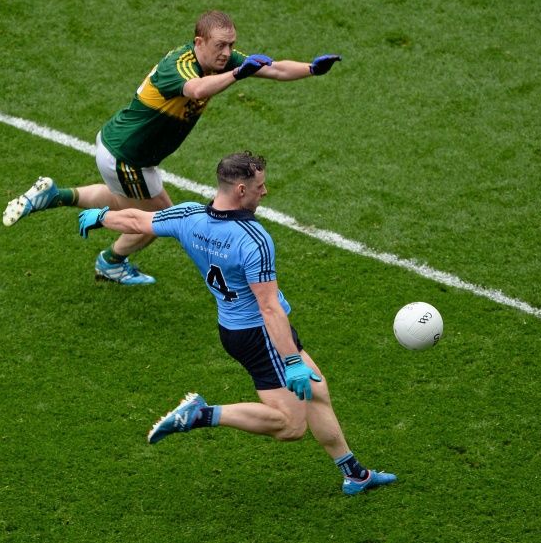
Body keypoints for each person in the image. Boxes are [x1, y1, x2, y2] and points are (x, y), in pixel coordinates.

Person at [76, 151, 396, 495]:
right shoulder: (252, 239)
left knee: (317, 390)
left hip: (234, 329)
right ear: (241, 190)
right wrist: (291, 360)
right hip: (262, 334)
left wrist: (102, 216)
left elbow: (139, 220)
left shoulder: (189, 215)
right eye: (260, 186)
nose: (265, 191)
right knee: (290, 425)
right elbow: (269, 308)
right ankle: (201, 414)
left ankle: (355, 474)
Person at [3, 10, 342, 286]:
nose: (227, 53)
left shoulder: (219, 62)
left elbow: (276, 69)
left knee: (124, 199)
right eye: (220, 46)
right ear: (199, 42)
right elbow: (196, 90)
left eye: (231, 45)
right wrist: (238, 74)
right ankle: (111, 262)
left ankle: (54, 195)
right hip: (128, 157)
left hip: (125, 152)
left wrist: (312, 69)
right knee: (160, 220)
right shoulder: (178, 66)